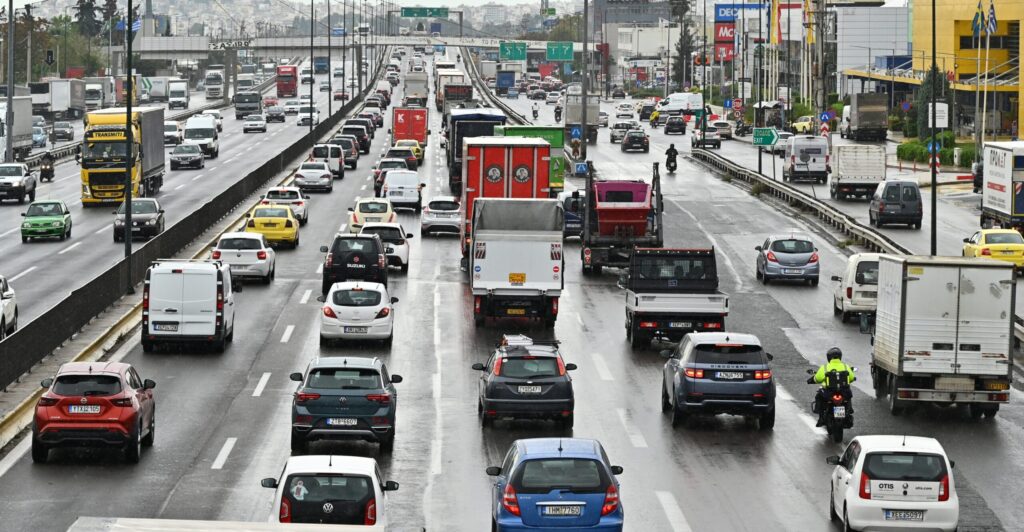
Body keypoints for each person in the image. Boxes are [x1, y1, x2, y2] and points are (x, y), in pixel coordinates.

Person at [810, 347, 856, 426]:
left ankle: (821, 418)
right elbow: (851, 378)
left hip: (829, 392)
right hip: (844, 392)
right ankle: (849, 411)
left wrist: (812, 380)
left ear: (828, 357)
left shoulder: (825, 367)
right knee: (848, 396)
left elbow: (818, 378)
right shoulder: (845, 366)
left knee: (819, 396)